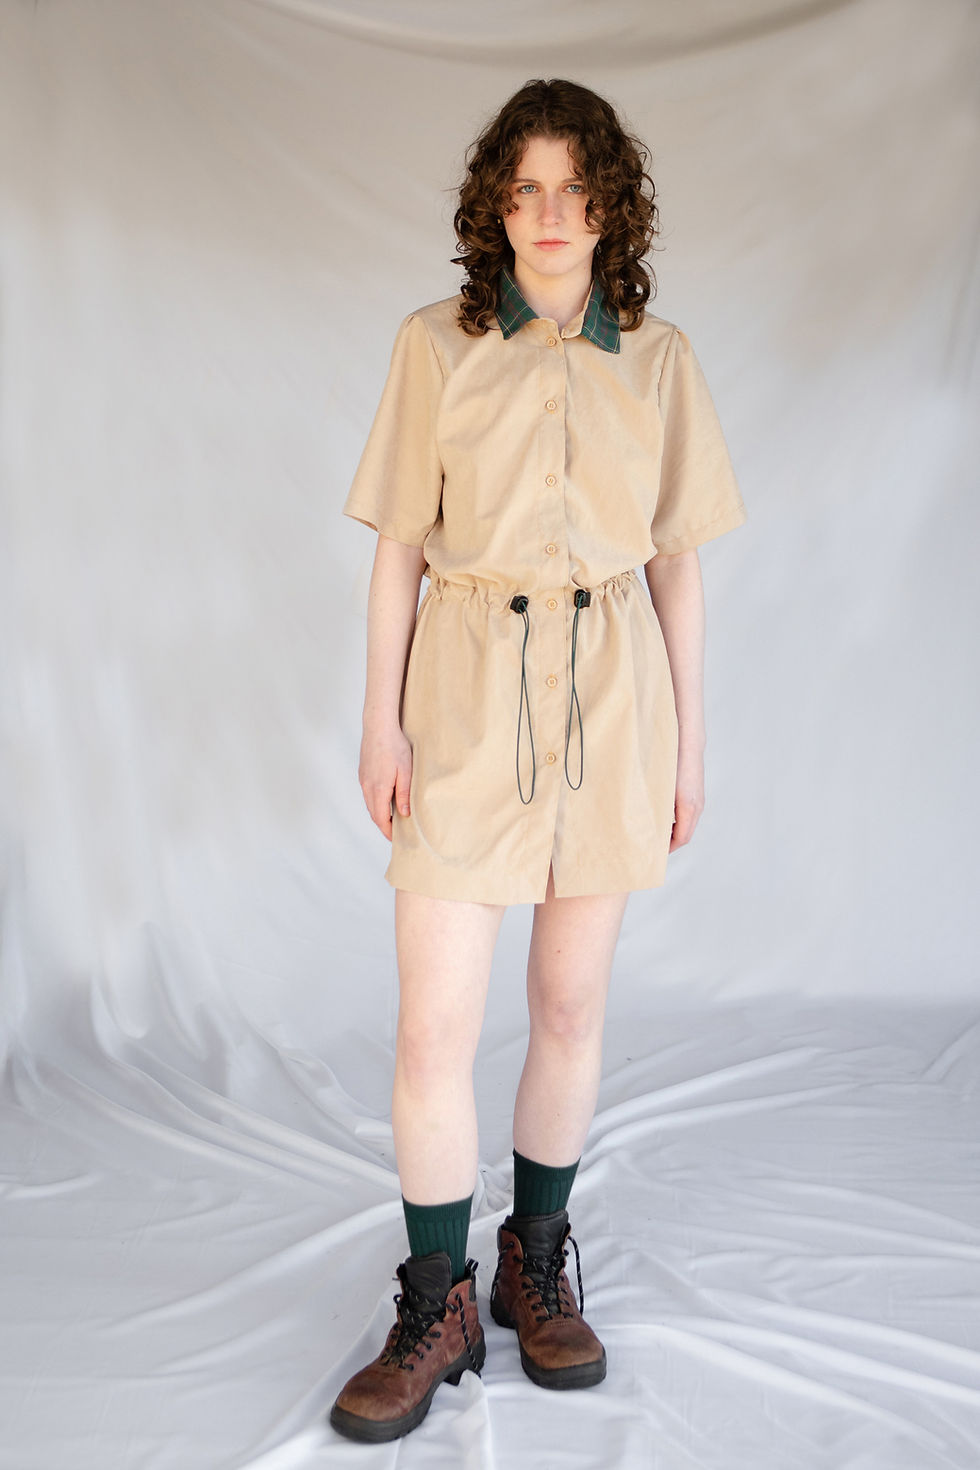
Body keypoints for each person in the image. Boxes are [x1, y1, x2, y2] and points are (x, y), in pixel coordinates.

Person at [329, 77, 747, 1444]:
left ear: (611, 206)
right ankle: (435, 1297)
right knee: (432, 1024)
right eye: (526, 189)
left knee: (568, 1006)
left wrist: (689, 742)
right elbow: (399, 548)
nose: (552, 214)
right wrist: (380, 719)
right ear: (494, 209)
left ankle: (535, 1258)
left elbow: (676, 564)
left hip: (613, 698)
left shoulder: (661, 360)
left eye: (576, 189)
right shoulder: (434, 345)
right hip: (463, 692)